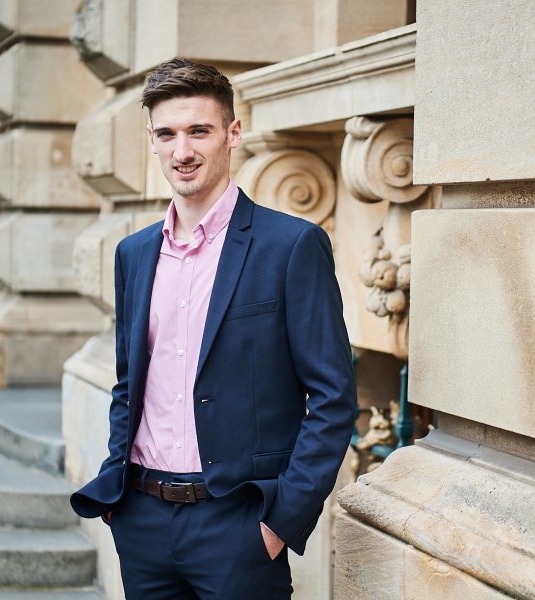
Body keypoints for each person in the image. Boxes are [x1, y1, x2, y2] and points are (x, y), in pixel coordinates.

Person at [70, 58, 357, 599]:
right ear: (151, 141)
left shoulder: (291, 246)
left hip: (238, 527)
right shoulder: (134, 254)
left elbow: (334, 398)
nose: (183, 151)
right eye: (167, 134)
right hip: (142, 523)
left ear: (232, 133)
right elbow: (128, 385)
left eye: (199, 130)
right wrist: (118, 493)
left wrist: (280, 523)